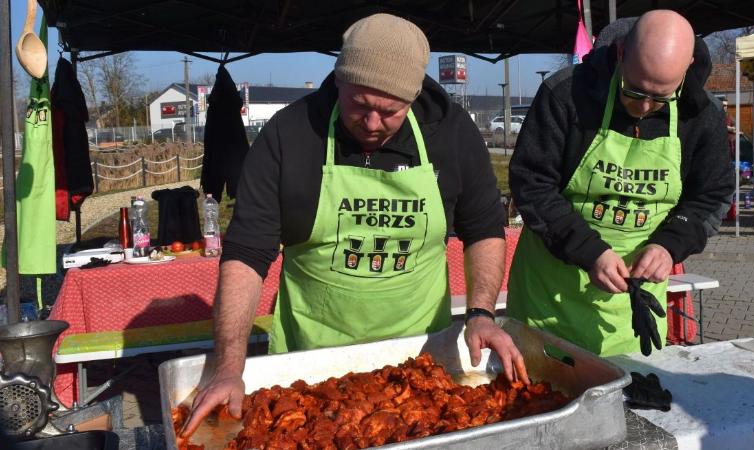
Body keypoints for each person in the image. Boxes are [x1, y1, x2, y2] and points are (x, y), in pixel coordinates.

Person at [182, 13, 528, 436]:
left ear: (414, 97)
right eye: (359, 105)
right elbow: (246, 255)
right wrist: (228, 368)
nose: (372, 123)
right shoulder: (290, 135)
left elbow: (484, 228)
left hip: (421, 363)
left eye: (390, 111)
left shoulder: (451, 134)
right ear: (339, 80)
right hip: (311, 369)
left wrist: (481, 313)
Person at [506, 10, 733, 356]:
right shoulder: (567, 94)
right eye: (635, 91)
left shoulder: (702, 114)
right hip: (549, 298)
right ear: (622, 52)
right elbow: (531, 184)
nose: (644, 107)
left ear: (686, 68)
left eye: (661, 98)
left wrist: (669, 245)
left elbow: (711, 195)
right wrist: (589, 251)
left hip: (633, 308)